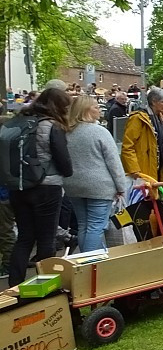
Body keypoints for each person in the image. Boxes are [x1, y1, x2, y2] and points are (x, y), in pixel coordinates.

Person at [6, 88, 73, 283]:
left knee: (25, 237)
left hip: (18, 186)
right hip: (47, 187)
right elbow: (64, 163)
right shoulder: (52, 126)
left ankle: (14, 284)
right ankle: (46, 284)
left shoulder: (19, 121)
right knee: (47, 238)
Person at [63, 96, 127, 253]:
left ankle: (88, 261)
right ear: (86, 110)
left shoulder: (66, 133)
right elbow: (114, 162)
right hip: (99, 186)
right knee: (95, 227)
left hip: (73, 185)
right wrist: (121, 187)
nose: (100, 109)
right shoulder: (99, 132)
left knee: (84, 225)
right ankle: (89, 264)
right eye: (96, 107)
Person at [121, 86, 163, 186]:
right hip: (143, 168)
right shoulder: (138, 118)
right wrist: (134, 170)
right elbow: (127, 146)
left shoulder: (159, 117)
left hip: (158, 167)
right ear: (153, 101)